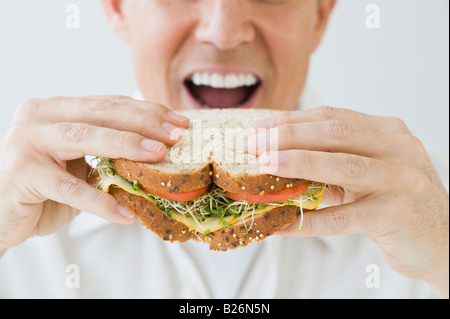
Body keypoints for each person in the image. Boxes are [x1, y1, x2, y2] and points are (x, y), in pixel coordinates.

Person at [0, 0, 448, 299]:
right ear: (118, 8)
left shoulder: (424, 207)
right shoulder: (21, 208)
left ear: (321, 14)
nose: (224, 31)